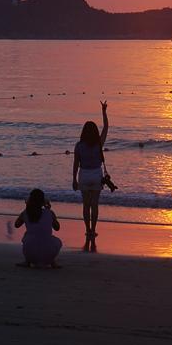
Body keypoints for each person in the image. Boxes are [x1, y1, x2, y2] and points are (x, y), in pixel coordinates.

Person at [73, 100, 108, 252]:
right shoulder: (99, 143)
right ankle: (93, 229)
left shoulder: (79, 146)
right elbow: (106, 127)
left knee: (86, 205)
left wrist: (73, 179)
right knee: (95, 205)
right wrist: (104, 112)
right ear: (94, 132)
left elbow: (75, 164)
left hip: (84, 175)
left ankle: (87, 229)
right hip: (96, 175)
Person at [14, 188, 62, 268]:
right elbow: (57, 228)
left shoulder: (26, 213)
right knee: (54, 240)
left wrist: (27, 207)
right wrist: (49, 210)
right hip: (48, 255)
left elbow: (16, 225)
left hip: (30, 254)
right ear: (43, 201)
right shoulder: (49, 213)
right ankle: (53, 262)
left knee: (28, 235)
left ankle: (27, 261)